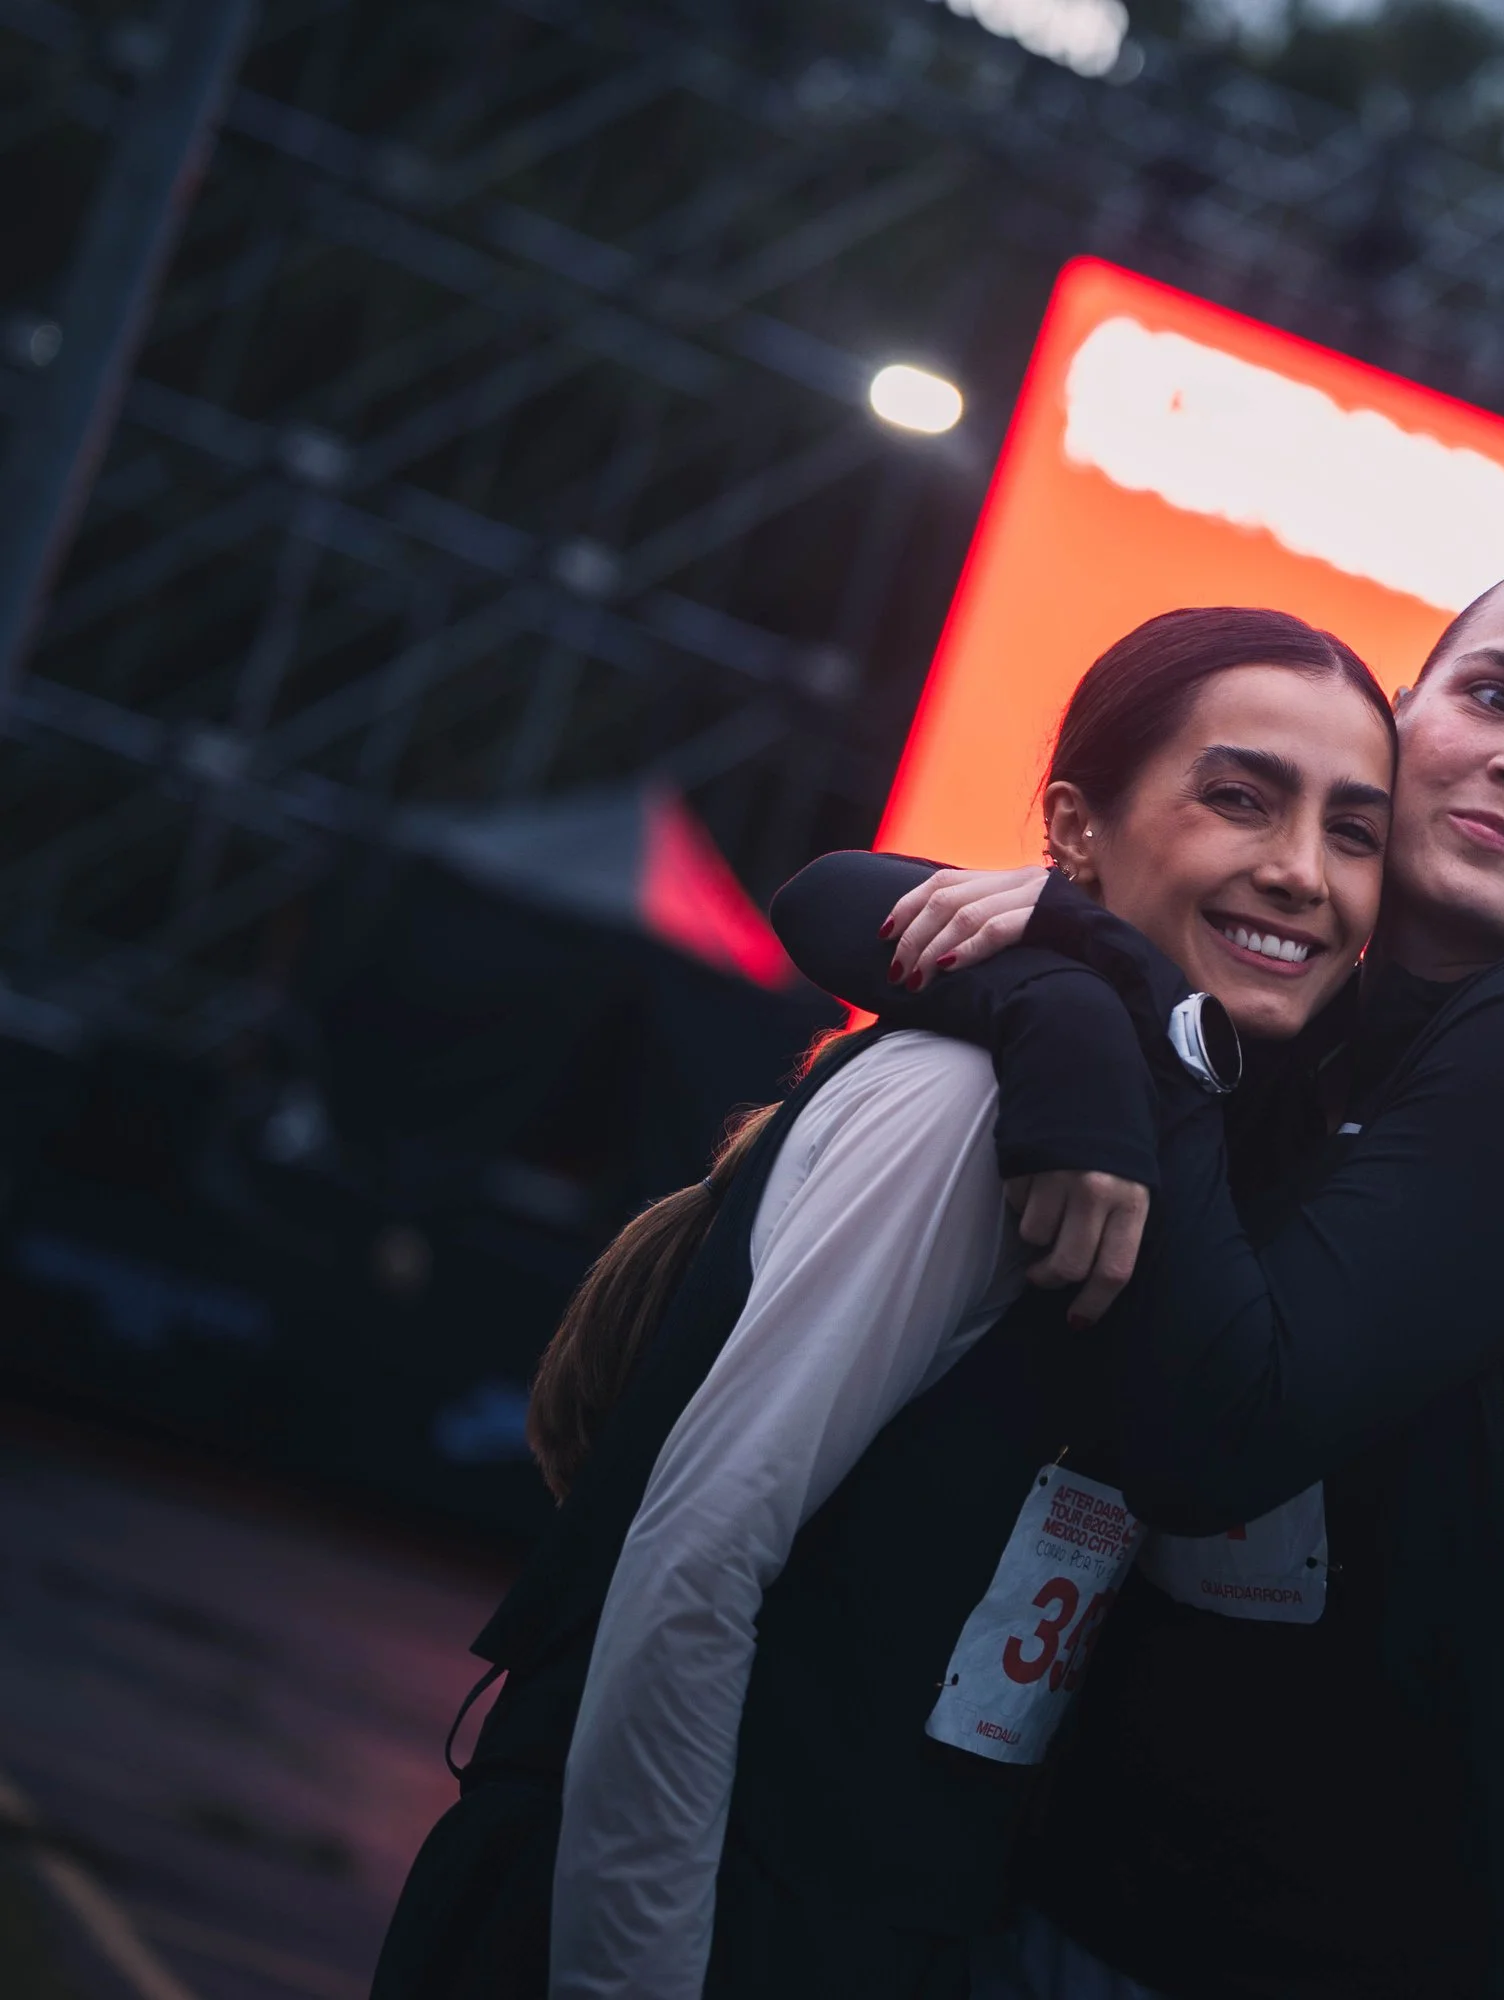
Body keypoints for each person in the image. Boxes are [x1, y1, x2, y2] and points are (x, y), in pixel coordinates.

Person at [369, 608, 1397, 2000]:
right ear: (1076, 832)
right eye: (1240, 798)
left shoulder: (1173, 1134)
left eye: (1355, 831)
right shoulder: (963, 1104)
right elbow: (693, 1569)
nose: (1300, 872)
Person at [771, 549, 1504, 1999]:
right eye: (1494, 693)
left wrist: (1104, 995)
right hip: (1103, 1897)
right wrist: (1079, 988)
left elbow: (1223, 1426)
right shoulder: (1299, 1003)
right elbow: (842, 899)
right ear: (1406, 729)